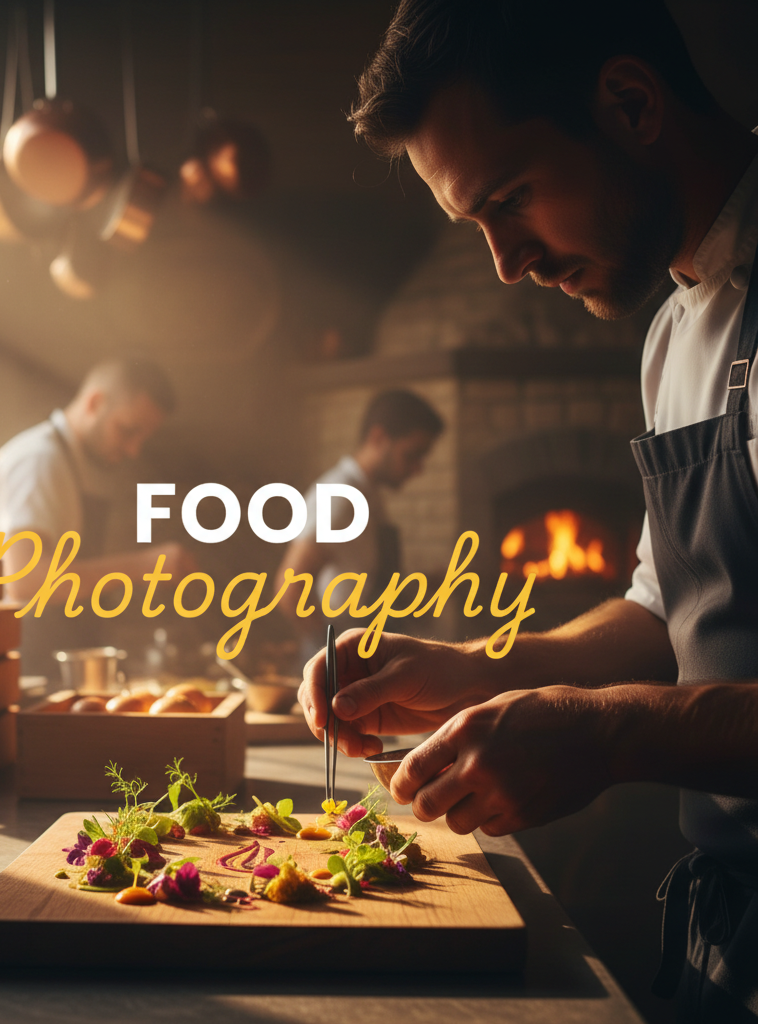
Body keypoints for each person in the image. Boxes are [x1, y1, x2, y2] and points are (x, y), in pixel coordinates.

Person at [298, 1, 758, 1018]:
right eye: (475, 225)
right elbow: (660, 615)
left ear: (630, 103)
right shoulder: (670, 331)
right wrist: (478, 668)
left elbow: (635, 698)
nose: (505, 263)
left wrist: (603, 735)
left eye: (510, 199)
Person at [0, 358, 194, 675]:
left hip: (52, 662)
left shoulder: (71, 463)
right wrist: (144, 566)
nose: (133, 450)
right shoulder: (40, 460)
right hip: (23, 668)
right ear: (95, 402)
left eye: (141, 439)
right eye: (128, 431)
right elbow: (24, 579)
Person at [276, 389, 442, 636]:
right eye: (412, 455)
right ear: (378, 438)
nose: (418, 468)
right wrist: (331, 655)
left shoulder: (368, 494)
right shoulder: (340, 496)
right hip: (343, 657)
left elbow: (363, 579)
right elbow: (289, 592)